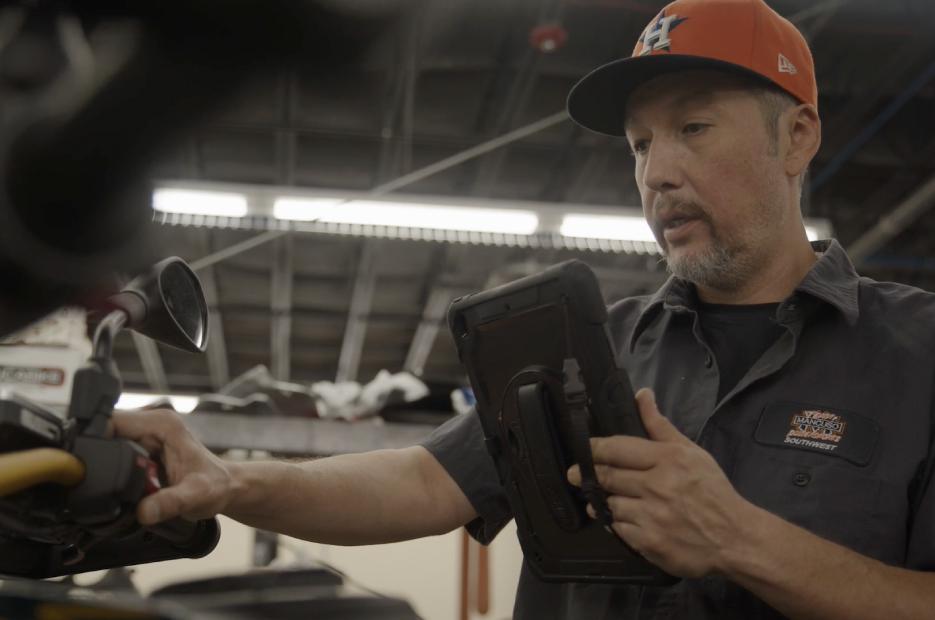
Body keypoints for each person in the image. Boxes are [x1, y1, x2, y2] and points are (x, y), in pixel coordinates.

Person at [111, 0, 935, 617]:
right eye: (640, 144)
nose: (656, 174)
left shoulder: (919, 357)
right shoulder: (594, 350)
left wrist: (735, 536)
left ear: (796, 138)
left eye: (692, 126)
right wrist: (228, 479)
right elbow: (422, 480)